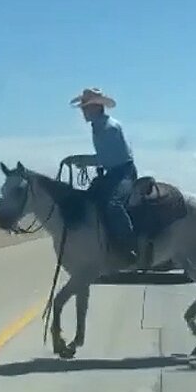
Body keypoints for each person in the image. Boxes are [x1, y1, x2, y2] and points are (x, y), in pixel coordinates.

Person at [70, 87, 138, 264]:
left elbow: (107, 158)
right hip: (113, 172)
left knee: (112, 204)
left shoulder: (109, 128)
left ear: (97, 108)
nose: (83, 111)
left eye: (86, 107)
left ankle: (128, 246)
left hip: (124, 172)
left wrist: (83, 160)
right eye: (83, 107)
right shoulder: (98, 126)